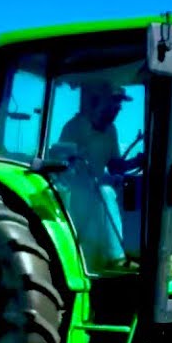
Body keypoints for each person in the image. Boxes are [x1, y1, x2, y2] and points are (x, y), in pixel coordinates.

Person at [52, 78, 140, 271]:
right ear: (98, 101)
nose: (118, 107)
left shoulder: (111, 130)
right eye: (114, 101)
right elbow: (61, 163)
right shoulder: (74, 127)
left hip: (99, 187)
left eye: (119, 103)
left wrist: (138, 162)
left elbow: (115, 166)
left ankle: (139, 251)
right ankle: (116, 258)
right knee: (106, 191)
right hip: (77, 192)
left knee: (130, 188)